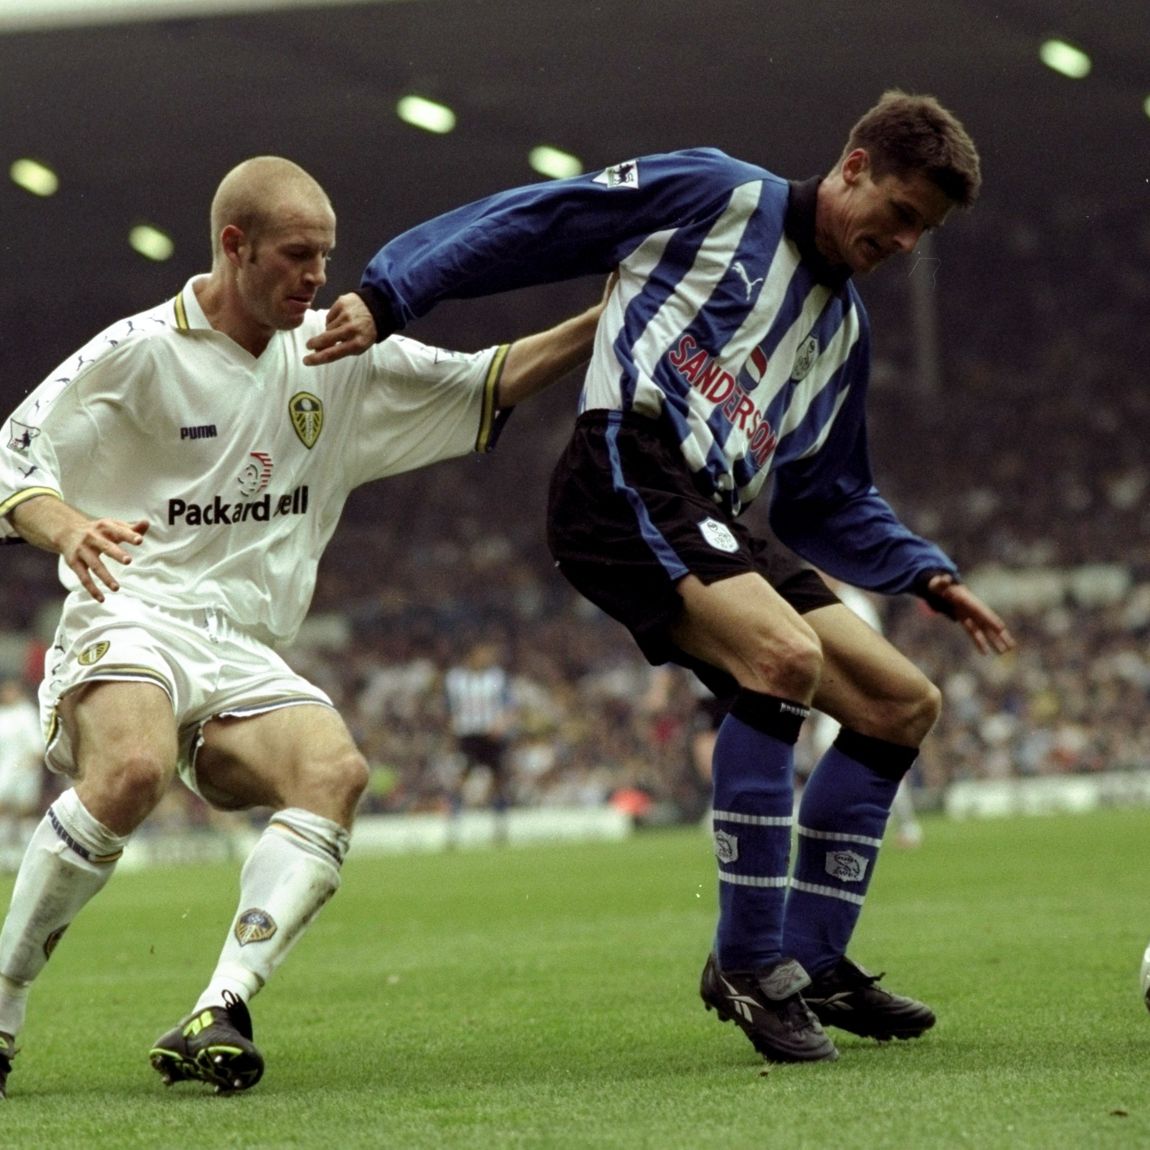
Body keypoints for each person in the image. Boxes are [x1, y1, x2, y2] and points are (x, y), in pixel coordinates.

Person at [320, 90, 1017, 1064]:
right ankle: (749, 963)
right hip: (623, 467)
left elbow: (827, 496)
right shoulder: (719, 193)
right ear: (854, 166)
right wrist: (392, 292)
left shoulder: (841, 331)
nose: (903, 243)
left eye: (922, 232)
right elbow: (545, 218)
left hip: (718, 510)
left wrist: (925, 574)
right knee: (783, 657)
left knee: (902, 704)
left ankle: (815, 958)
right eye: (900, 214)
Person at [0, 155, 603, 1099]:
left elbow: (488, 381)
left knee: (335, 772)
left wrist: (605, 316)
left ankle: (220, 1008)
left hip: (243, 648)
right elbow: (15, 451)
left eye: (326, 255)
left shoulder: (336, 358)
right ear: (234, 247)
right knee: (132, 769)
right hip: (133, 610)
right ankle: (2, 1003)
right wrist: (69, 526)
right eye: (297, 255)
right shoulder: (137, 352)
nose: (319, 276)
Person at [442, 639, 516, 845]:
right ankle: (453, 827)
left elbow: (509, 706)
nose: (485, 658)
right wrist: (451, 734)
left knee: (498, 780)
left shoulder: (497, 677)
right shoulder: (455, 679)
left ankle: (500, 827)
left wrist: (501, 724)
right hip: (467, 735)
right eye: (481, 654)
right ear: (471, 655)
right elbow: (448, 709)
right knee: (460, 780)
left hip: (491, 735)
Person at [0, 678, 45, 872]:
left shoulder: (27, 714)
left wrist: (29, 766)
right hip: (4, 771)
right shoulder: (2, 716)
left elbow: (38, 747)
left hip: (25, 772)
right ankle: (6, 859)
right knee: (4, 813)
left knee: (25, 814)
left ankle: (30, 858)